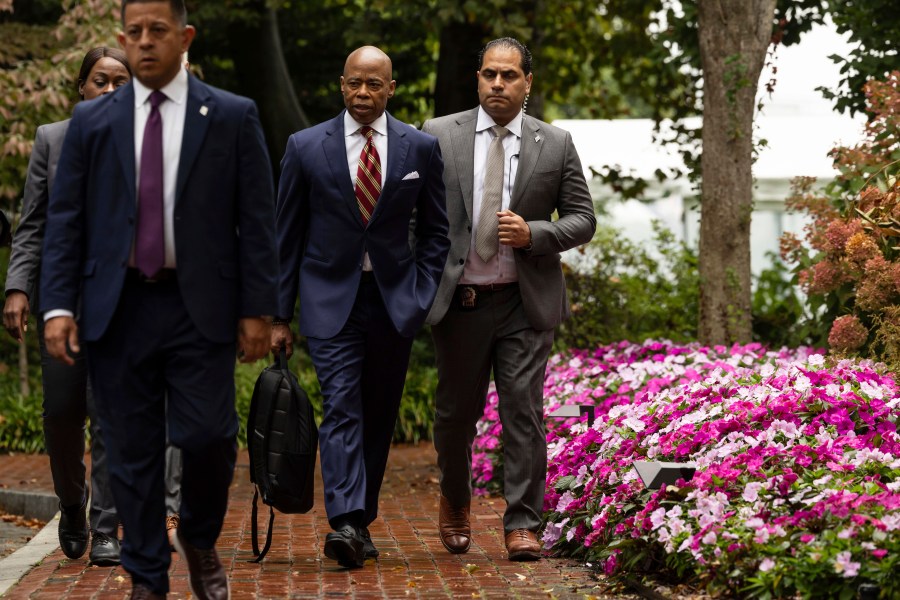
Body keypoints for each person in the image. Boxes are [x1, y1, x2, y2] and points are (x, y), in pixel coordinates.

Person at [39, 0, 278, 597]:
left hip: (201, 308)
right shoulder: (92, 122)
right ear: (124, 35)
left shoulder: (230, 115)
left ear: (185, 36)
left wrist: (260, 308)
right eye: (135, 32)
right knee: (131, 451)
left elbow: (257, 220)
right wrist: (59, 305)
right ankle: (148, 575)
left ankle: (197, 536)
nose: (145, 42)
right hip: (117, 308)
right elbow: (65, 220)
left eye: (158, 31)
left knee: (209, 437)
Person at [271, 46, 449, 569]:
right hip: (330, 301)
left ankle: (360, 521)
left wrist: (420, 293)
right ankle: (345, 518)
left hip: (394, 302)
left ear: (391, 88)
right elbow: (287, 236)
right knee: (343, 406)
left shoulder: (419, 148)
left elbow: (437, 232)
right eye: (354, 84)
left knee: (378, 415)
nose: (363, 94)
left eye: (374, 84)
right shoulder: (305, 147)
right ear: (341, 85)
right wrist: (280, 315)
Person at [421, 37, 596, 561]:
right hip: (461, 303)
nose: (499, 84)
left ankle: (522, 522)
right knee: (454, 416)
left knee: (524, 411)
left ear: (528, 83)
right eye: (490, 74)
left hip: (524, 301)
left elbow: (583, 218)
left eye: (510, 76)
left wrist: (535, 234)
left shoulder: (556, 143)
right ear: (477, 78)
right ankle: (455, 501)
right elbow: (417, 218)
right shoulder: (437, 136)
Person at [3, 46, 131, 567]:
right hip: (64, 300)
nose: (109, 90)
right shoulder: (52, 139)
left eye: (120, 82)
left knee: (110, 417)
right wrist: (18, 288)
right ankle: (72, 504)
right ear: (81, 86)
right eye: (100, 80)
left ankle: (105, 527)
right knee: (61, 414)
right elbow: (31, 224)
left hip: (124, 300)